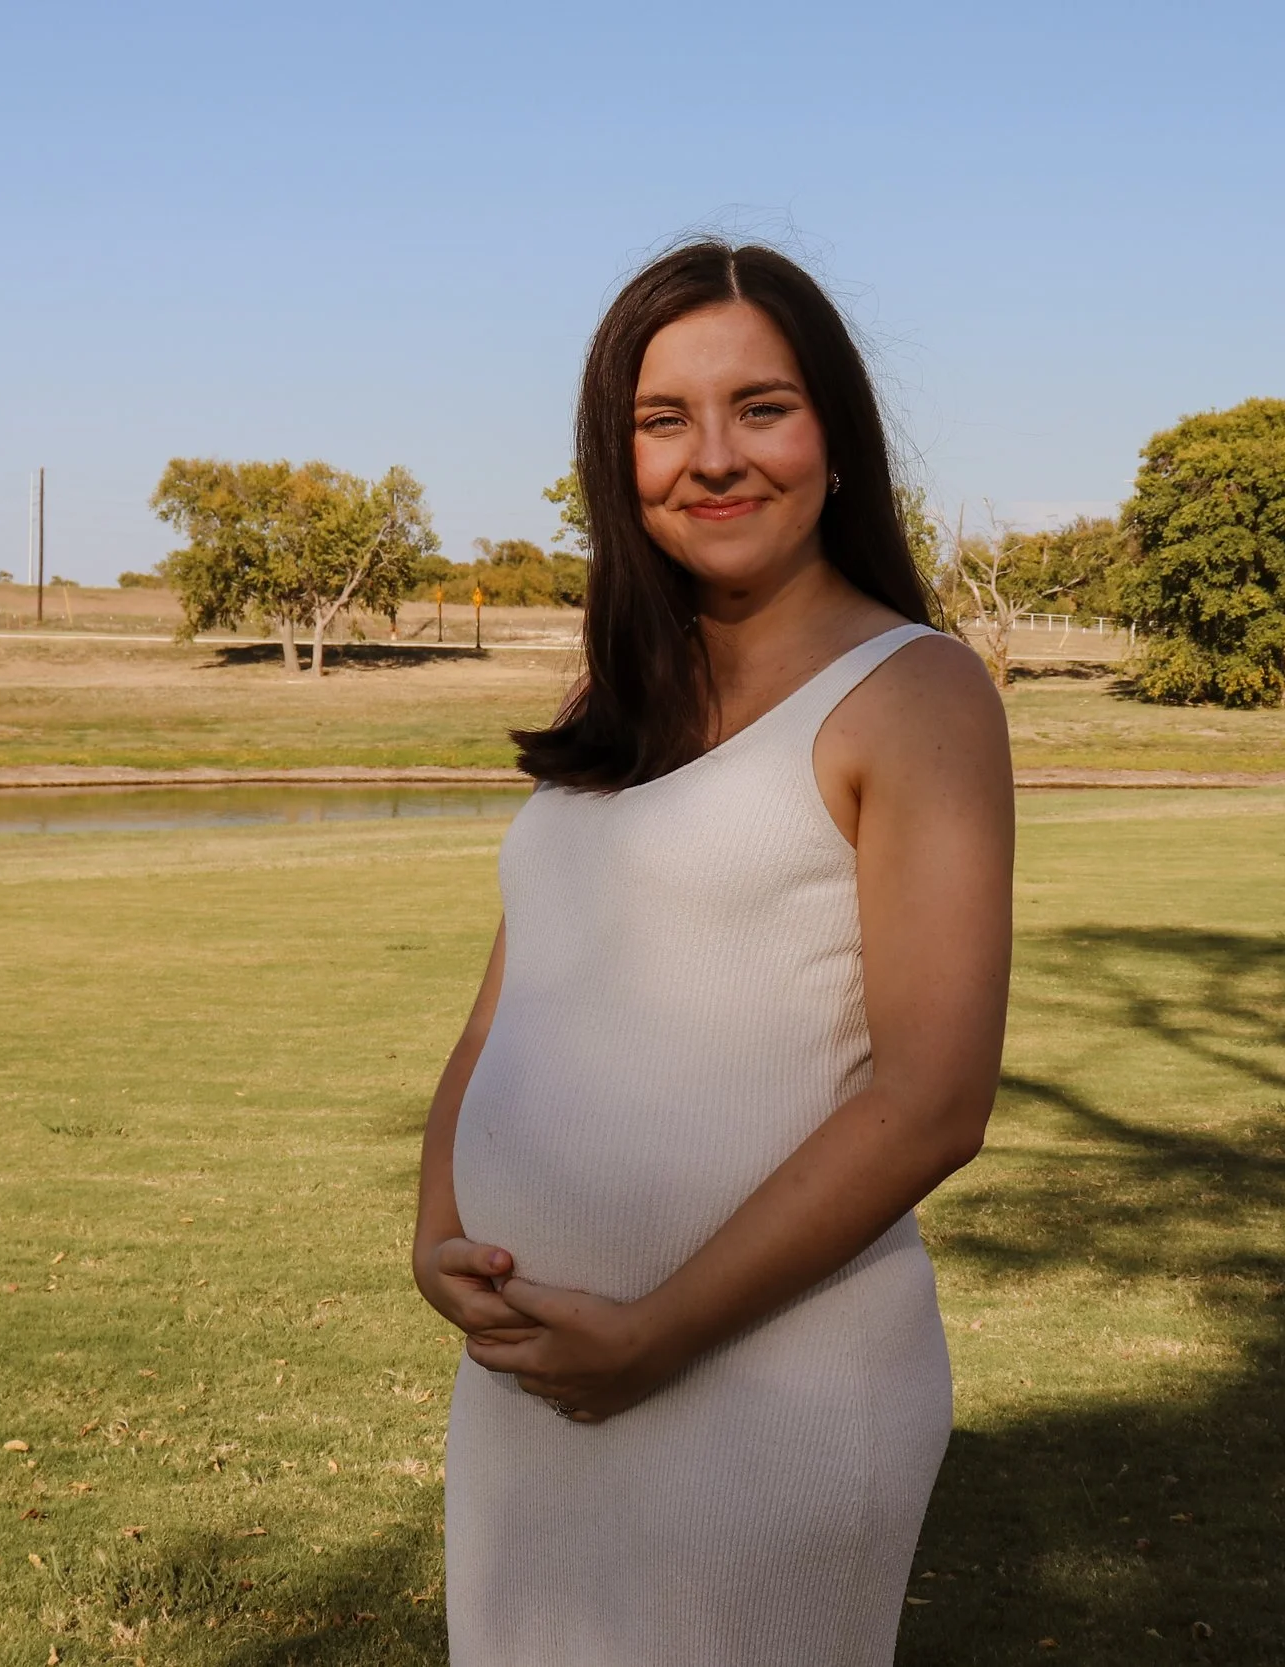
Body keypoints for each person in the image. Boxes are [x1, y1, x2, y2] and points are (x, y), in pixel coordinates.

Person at [411, 239, 1014, 1666]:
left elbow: (933, 1102)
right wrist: (437, 1230)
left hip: (765, 1396)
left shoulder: (914, 693)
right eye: (663, 419)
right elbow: (504, 1010)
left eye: (762, 407)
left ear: (836, 438)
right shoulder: (619, 695)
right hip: (531, 1387)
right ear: (617, 459)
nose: (715, 457)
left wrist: (655, 1334)